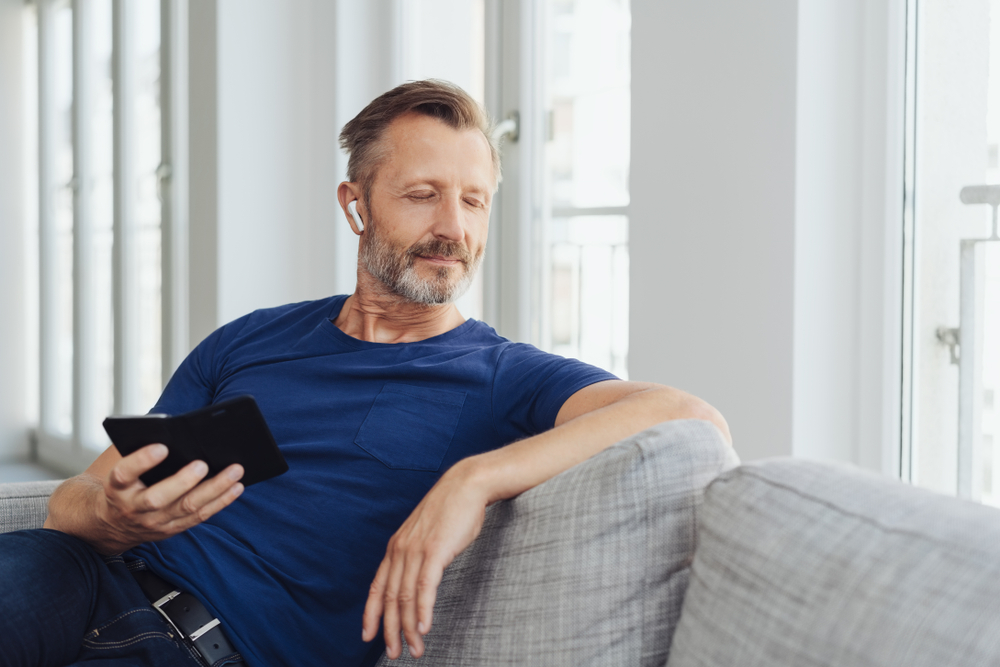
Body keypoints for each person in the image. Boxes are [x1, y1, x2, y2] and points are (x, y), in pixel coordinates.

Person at [0, 80, 730, 667]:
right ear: (356, 205)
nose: (454, 227)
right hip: (76, 579)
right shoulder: (248, 339)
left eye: (473, 200)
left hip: (196, 649)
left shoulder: (503, 375)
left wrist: (472, 479)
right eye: (422, 194)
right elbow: (78, 503)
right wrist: (115, 514)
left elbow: (691, 417)